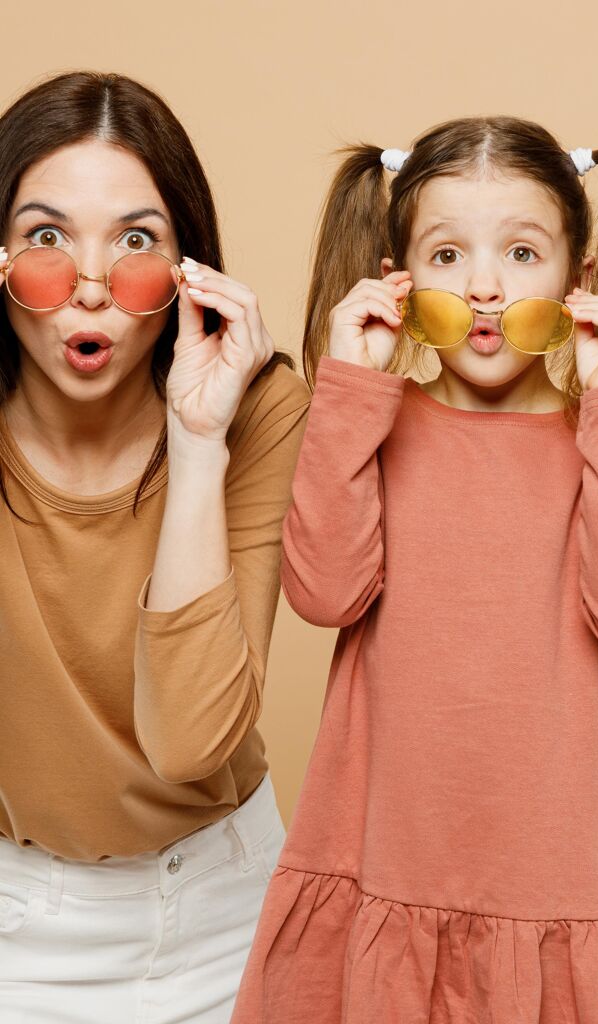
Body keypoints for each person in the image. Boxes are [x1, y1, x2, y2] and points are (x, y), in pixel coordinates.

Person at [232, 117, 598, 1023]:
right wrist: (350, 389)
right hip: (385, 860)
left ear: (578, 279)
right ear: (397, 276)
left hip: (549, 879)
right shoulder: (371, 419)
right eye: (446, 255)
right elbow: (323, 592)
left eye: (522, 252)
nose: (483, 287)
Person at [0, 71, 309, 1022]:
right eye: (47, 238)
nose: (91, 286)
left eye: (136, 241)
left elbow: (190, 740)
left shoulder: (257, 412)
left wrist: (198, 443)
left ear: (187, 272)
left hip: (223, 911)